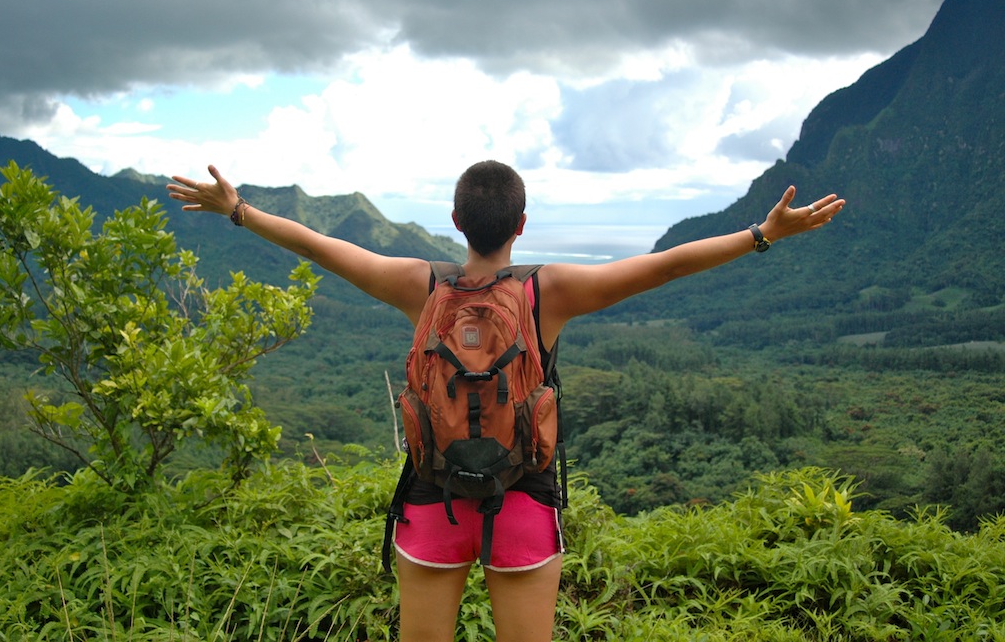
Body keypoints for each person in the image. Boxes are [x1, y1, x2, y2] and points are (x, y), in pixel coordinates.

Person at [166, 161, 844, 642]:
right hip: (522, 501)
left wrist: (238, 210)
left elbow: (321, 246)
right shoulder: (550, 292)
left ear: (455, 222)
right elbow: (665, 266)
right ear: (522, 223)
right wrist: (762, 234)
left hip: (432, 502)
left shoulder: (418, 285)